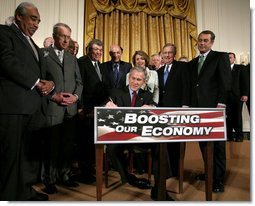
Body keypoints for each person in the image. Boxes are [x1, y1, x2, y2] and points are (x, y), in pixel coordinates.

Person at [0, 2, 55, 201]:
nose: (36, 24)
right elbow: (6, 60)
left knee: (27, 157)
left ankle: (24, 192)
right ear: (19, 17)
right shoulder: (4, 32)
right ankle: (7, 197)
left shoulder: (33, 44)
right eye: (33, 19)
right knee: (11, 158)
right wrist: (37, 82)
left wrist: (51, 84)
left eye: (38, 21)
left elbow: (43, 74)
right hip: (12, 107)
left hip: (33, 109)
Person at [40, 23, 83, 194]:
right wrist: (53, 96)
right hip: (53, 108)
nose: (66, 40)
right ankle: (49, 180)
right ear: (55, 36)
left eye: (68, 36)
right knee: (51, 146)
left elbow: (79, 83)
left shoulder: (72, 58)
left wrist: (76, 97)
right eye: (62, 36)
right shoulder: (44, 55)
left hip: (70, 110)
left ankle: (64, 176)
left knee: (66, 146)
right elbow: (40, 82)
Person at [188, 30, 232, 193]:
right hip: (198, 110)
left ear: (212, 42)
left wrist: (221, 103)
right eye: (200, 40)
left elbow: (226, 82)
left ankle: (218, 180)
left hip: (215, 108)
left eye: (205, 40)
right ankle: (209, 173)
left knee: (218, 146)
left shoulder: (221, 57)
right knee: (204, 144)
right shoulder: (192, 63)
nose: (202, 43)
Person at [105, 66, 156, 190]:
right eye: (133, 78)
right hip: (119, 134)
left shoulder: (147, 95)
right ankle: (128, 177)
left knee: (158, 145)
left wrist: (152, 108)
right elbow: (104, 104)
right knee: (112, 148)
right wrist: (106, 104)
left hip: (139, 135)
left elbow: (155, 108)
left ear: (143, 82)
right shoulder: (116, 92)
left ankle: (157, 183)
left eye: (139, 80)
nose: (135, 82)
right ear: (129, 78)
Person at [152, 43, 190, 200]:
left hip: (178, 111)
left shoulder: (182, 67)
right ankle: (167, 172)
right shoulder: (158, 72)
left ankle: (175, 170)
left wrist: (185, 106)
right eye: (164, 53)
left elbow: (187, 87)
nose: (167, 55)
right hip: (162, 113)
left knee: (177, 143)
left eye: (169, 53)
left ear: (174, 54)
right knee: (164, 144)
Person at [76, 39, 108, 184]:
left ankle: (90, 169)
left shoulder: (99, 65)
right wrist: (80, 107)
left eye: (100, 50)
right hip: (86, 109)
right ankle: (85, 172)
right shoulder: (82, 62)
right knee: (84, 142)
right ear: (89, 49)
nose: (98, 52)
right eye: (95, 49)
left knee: (92, 141)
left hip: (97, 109)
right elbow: (80, 85)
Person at [226, 52, 248, 142]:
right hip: (226, 97)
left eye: (230, 57)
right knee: (228, 116)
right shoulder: (223, 69)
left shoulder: (240, 68)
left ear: (234, 59)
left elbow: (245, 82)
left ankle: (239, 136)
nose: (229, 59)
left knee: (237, 116)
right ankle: (229, 136)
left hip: (237, 96)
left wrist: (245, 94)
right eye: (227, 58)